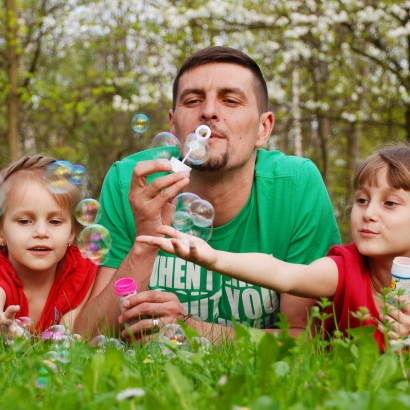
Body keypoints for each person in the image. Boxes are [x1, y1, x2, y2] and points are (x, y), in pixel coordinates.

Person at [75, 46, 340, 340]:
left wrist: (190, 329)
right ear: (173, 124)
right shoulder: (132, 181)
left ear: (263, 129)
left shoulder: (295, 185)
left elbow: (307, 340)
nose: (209, 111)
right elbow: (87, 335)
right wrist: (146, 242)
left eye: (230, 100)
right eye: (193, 100)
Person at [138, 145, 410, 350]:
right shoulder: (346, 268)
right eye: (362, 200)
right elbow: (285, 274)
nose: (368, 213)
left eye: (390, 203)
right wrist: (215, 258)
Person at [0, 155, 97, 335]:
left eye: (54, 222)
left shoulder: (79, 270)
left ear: (72, 233)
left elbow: (68, 334)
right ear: (1, 233)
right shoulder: (2, 270)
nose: (41, 232)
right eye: (24, 221)